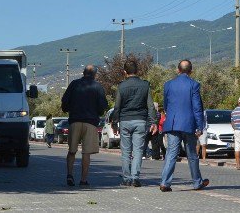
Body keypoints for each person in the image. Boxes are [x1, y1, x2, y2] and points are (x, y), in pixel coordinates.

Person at [159, 60, 209, 192]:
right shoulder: (194, 85)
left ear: (178, 70)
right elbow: (197, 108)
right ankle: (197, 182)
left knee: (171, 153)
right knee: (192, 154)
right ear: (191, 71)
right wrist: (200, 127)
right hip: (189, 124)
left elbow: (166, 104)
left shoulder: (168, 84)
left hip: (173, 123)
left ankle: (165, 182)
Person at [112, 59, 157, 187]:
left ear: (125, 72)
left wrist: (115, 122)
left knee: (125, 151)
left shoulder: (121, 86)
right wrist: (153, 122)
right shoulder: (145, 85)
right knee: (138, 151)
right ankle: (135, 178)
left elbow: (117, 107)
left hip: (125, 121)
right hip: (140, 121)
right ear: (137, 71)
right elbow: (150, 106)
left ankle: (126, 179)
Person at [61, 65, 108, 187]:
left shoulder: (74, 84)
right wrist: (98, 112)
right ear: (95, 74)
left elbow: (64, 101)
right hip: (90, 123)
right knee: (86, 153)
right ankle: (83, 179)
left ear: (83, 72)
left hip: (75, 121)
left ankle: (70, 175)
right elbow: (102, 106)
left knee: (72, 151)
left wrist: (68, 109)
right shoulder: (98, 86)